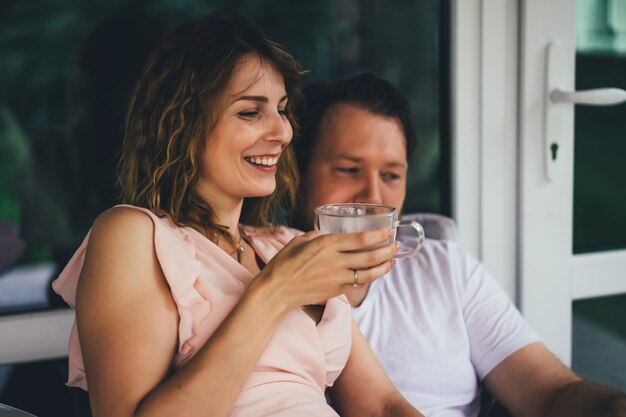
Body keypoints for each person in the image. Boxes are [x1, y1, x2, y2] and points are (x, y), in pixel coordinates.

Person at [51, 13, 425, 417]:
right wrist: (276, 291)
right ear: (183, 122)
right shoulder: (134, 235)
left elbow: (383, 407)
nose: (282, 132)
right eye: (250, 112)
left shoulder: (283, 242)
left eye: (282, 110)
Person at [292, 73, 626, 417]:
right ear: (297, 175)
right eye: (349, 170)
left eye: (391, 176)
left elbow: (551, 390)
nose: (375, 199)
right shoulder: (266, 284)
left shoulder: (446, 268)